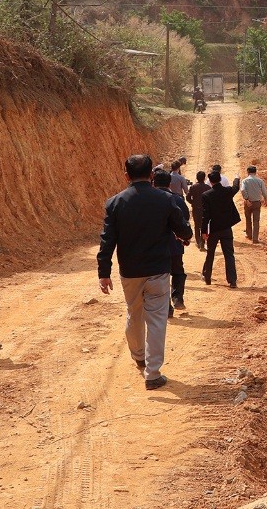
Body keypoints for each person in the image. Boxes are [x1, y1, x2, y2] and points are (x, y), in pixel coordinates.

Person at [97, 154, 192, 390]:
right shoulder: (164, 199)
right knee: (157, 320)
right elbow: (182, 229)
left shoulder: (115, 203)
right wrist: (185, 236)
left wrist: (104, 271)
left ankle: (138, 355)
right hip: (158, 270)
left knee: (133, 313)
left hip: (129, 271)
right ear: (151, 175)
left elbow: (107, 240)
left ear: (126, 175)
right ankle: (153, 373)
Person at [153, 171, 191, 315]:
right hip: (175, 243)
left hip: (156, 246)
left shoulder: (150, 201)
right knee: (178, 272)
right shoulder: (178, 200)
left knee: (161, 276)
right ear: (169, 184)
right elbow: (185, 219)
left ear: (153, 183)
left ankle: (167, 307)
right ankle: (178, 298)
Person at [201, 170, 242, 288]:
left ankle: (207, 277)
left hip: (214, 229)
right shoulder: (227, 191)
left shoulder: (206, 195)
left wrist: (203, 231)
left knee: (210, 253)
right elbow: (235, 187)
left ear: (210, 181)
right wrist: (236, 177)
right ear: (220, 179)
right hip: (226, 228)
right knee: (229, 254)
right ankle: (232, 281)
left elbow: (205, 215)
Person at [240, 165, 267, 243]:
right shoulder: (260, 181)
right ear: (255, 172)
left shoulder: (245, 181)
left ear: (248, 172)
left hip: (248, 203)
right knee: (256, 221)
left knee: (248, 219)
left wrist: (246, 199)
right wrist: (266, 200)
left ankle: (249, 235)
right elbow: (264, 192)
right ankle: (255, 239)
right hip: (257, 202)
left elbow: (242, 190)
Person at [186, 171, 211, 250]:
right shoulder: (208, 187)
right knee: (204, 225)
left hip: (196, 209)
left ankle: (198, 242)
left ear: (197, 178)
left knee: (197, 226)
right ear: (204, 178)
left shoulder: (193, 187)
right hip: (205, 209)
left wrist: (193, 203)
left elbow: (188, 197)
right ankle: (203, 243)